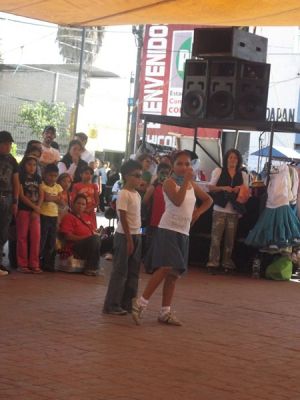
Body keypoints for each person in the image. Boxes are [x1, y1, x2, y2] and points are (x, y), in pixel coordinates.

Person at [131, 151, 212, 326]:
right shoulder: (168, 182)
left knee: (174, 273)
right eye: (180, 164)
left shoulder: (192, 185)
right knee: (166, 267)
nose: (184, 167)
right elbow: (177, 200)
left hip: (184, 232)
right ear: (173, 166)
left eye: (188, 164)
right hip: (168, 229)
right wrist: (187, 182)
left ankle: (165, 311)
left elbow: (208, 200)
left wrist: (198, 212)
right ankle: (140, 303)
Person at [103, 159, 143, 315]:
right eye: (136, 175)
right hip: (124, 236)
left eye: (140, 176)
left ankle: (127, 303)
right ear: (126, 176)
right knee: (120, 271)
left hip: (136, 234)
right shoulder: (124, 193)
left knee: (133, 273)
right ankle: (112, 304)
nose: (140, 179)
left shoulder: (137, 195)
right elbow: (123, 217)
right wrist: (128, 238)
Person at [207, 149, 249, 273]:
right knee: (216, 238)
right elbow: (210, 187)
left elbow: (247, 192)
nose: (232, 160)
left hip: (234, 211)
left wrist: (239, 188)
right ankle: (213, 263)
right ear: (226, 159)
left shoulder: (243, 175)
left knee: (230, 240)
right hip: (219, 208)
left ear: (238, 160)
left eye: (235, 158)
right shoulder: (218, 171)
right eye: (230, 157)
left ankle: (226, 263)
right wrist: (223, 188)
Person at [59, 194, 101, 276]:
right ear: (73, 204)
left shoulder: (87, 217)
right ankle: (91, 268)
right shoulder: (68, 217)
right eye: (78, 203)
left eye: (83, 204)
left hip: (92, 243)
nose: (80, 206)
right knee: (95, 239)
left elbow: (93, 232)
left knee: (112, 240)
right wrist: (86, 238)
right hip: (76, 247)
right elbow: (67, 237)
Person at [142, 162, 172, 273]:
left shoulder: (170, 187)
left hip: (166, 221)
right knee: (152, 244)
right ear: (158, 173)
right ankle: (149, 265)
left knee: (161, 245)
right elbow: (144, 201)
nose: (164, 175)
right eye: (162, 173)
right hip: (153, 220)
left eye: (166, 173)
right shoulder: (153, 187)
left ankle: (157, 265)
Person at [16, 156, 44, 273]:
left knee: (36, 237)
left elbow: (41, 194)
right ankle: (22, 264)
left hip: (35, 212)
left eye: (34, 165)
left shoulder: (38, 178)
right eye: (29, 164)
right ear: (24, 165)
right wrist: (35, 208)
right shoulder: (20, 177)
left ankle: (34, 264)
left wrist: (37, 208)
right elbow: (21, 196)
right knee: (22, 237)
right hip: (23, 210)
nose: (32, 167)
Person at [0, 131, 19, 276]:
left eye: (10, 144)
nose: (8, 146)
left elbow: (16, 181)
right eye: (5, 143)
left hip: (7, 197)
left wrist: (15, 201)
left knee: (4, 232)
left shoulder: (12, 160)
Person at [40, 163, 63, 271]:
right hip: (43, 215)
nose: (52, 178)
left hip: (54, 216)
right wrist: (55, 198)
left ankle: (48, 263)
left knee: (51, 240)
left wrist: (51, 198)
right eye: (50, 175)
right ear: (44, 174)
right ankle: (40, 261)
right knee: (42, 239)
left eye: (55, 176)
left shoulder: (58, 187)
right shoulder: (42, 185)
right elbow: (45, 198)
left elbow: (62, 201)